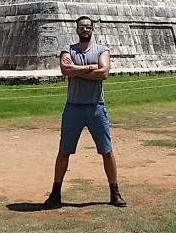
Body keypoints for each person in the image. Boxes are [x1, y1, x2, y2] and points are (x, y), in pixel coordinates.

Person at [43, 15, 126, 209]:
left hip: (96, 106)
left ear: (93, 29)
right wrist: (90, 68)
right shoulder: (68, 49)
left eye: (88, 27)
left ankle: (114, 192)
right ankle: (56, 193)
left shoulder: (101, 50)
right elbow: (65, 70)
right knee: (64, 151)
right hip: (73, 107)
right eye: (81, 27)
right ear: (77, 30)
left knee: (106, 150)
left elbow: (104, 73)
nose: (85, 29)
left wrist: (77, 70)